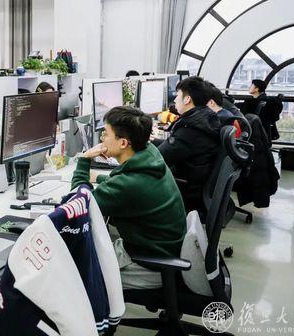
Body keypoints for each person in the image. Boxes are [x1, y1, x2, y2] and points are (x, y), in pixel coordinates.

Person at [71, 106, 186, 289]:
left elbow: (77, 204)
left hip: (148, 265)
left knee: (73, 278)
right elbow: (127, 185)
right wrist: (100, 178)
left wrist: (84, 160)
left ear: (123, 143)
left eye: (105, 134)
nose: (102, 139)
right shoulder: (150, 153)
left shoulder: (128, 185)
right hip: (158, 249)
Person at [158, 76, 221, 214]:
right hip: (196, 183)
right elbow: (173, 144)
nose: (175, 100)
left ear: (187, 99)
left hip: (186, 191)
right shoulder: (205, 118)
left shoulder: (190, 129)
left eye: (177, 95)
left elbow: (157, 158)